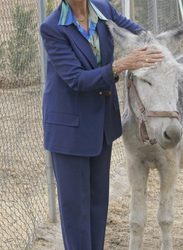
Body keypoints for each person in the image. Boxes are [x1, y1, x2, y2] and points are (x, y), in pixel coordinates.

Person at [40, 0, 163, 249]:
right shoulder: (52, 27)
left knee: (97, 205)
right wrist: (122, 64)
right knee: (76, 211)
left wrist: (161, 48)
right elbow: (76, 79)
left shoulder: (103, 10)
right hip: (69, 130)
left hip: (101, 126)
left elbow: (139, 34)